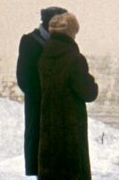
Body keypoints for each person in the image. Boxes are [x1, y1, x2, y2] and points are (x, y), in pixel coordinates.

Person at [37, 11, 98, 180]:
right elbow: (89, 93)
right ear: (71, 32)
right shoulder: (75, 59)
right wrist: (91, 80)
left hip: (49, 124)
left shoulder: (44, 58)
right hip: (71, 126)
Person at [16, 5, 66, 176]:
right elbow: (24, 78)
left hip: (57, 106)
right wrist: (44, 94)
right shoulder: (30, 41)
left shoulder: (60, 42)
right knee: (38, 146)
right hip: (38, 104)